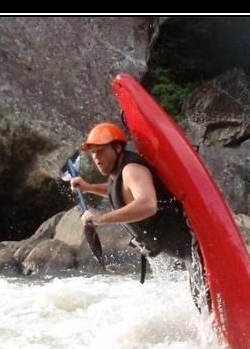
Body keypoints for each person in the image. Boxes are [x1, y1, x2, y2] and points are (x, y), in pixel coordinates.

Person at [71, 122, 209, 310]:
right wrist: (89, 187)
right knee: (204, 309)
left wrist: (101, 219)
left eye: (101, 151)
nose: (96, 158)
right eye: (93, 153)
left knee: (208, 308)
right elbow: (118, 190)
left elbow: (147, 205)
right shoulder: (118, 174)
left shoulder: (132, 169)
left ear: (117, 148)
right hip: (187, 252)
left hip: (196, 246)